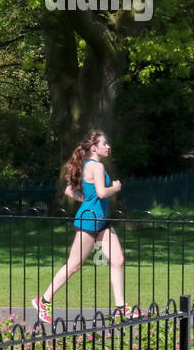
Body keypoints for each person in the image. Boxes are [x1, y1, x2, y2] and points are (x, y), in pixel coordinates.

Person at [32, 130, 135, 323]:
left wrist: (87, 199)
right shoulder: (95, 166)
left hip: (101, 222)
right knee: (74, 265)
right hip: (89, 222)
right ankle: (43, 300)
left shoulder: (92, 166)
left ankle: (121, 308)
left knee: (118, 259)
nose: (108, 146)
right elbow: (102, 193)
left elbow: (70, 191)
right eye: (104, 143)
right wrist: (116, 187)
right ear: (94, 148)